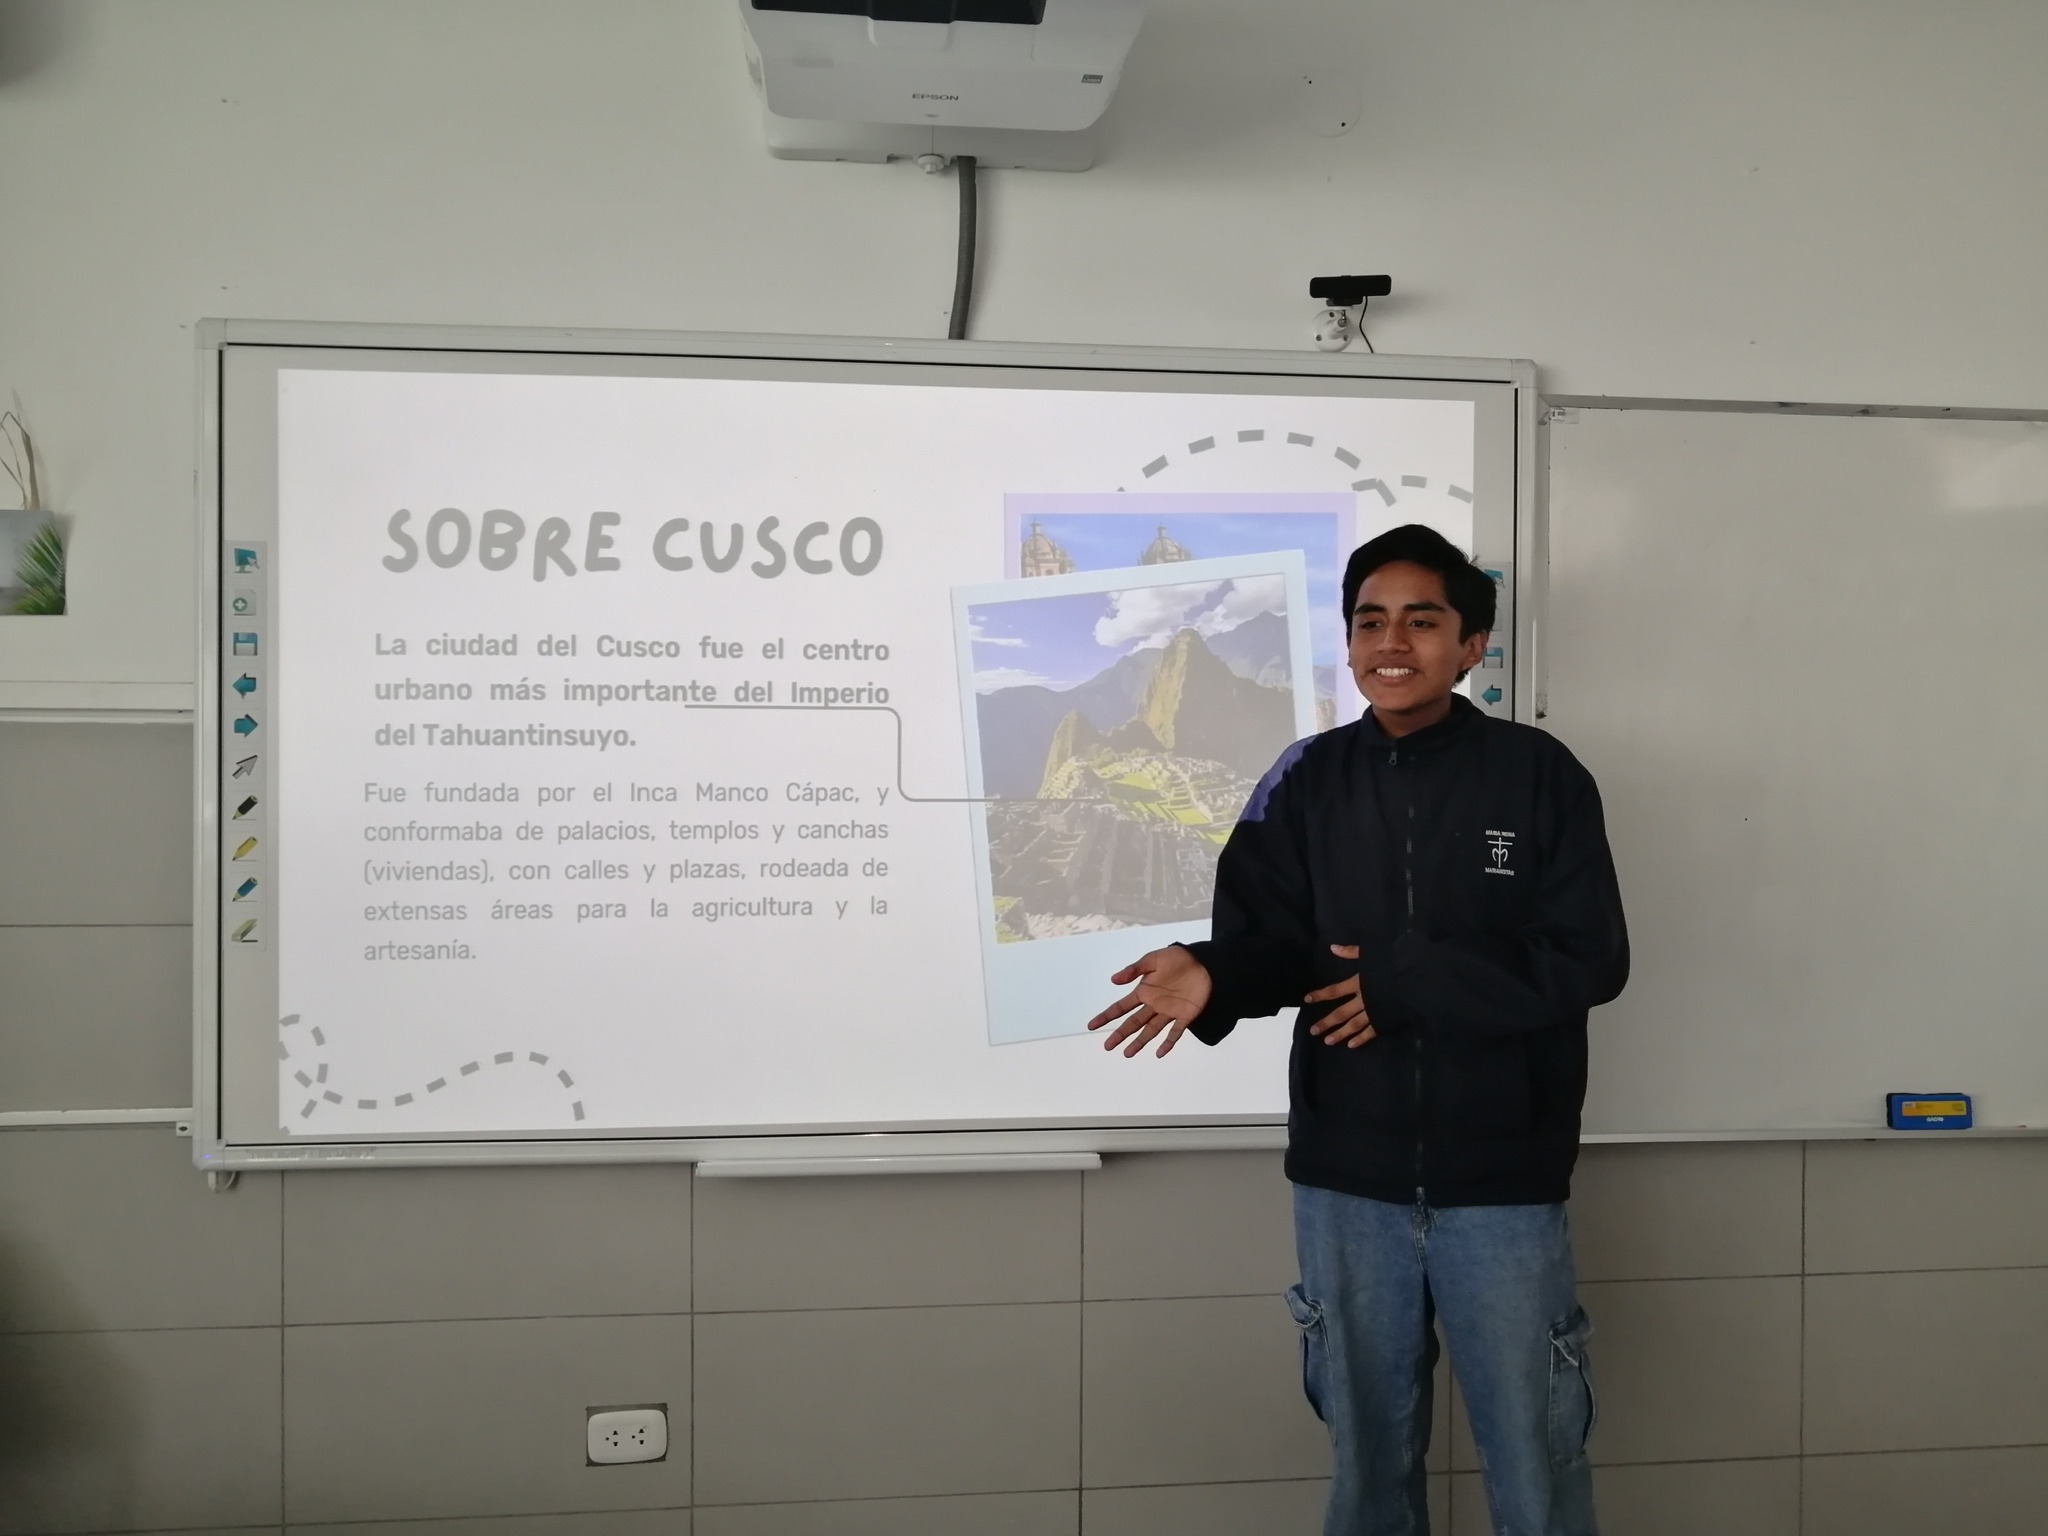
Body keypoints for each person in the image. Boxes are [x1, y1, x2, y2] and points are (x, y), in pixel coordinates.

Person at [1087, 524, 1629, 1536]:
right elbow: (1272, 943)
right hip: (1347, 1183)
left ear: (1469, 645)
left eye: (1421, 621)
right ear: (1348, 643)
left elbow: (1587, 958)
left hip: (1502, 1181)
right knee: (1367, 1471)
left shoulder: (1538, 774)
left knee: (1536, 1464)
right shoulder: (1304, 777)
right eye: (1369, 621)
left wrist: (1407, 979)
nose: (1391, 642)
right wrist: (1214, 972)